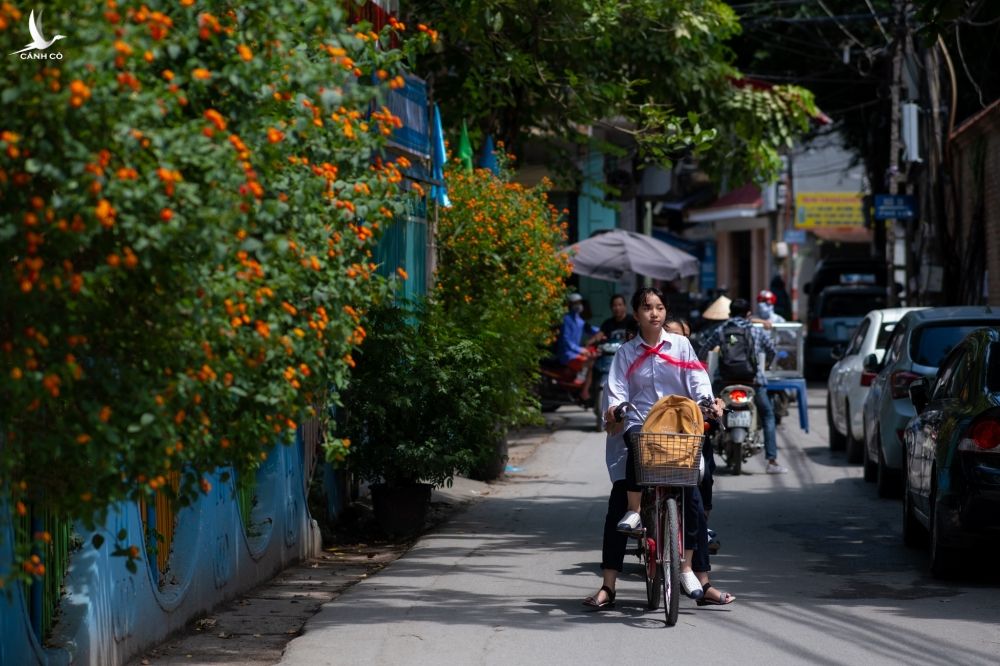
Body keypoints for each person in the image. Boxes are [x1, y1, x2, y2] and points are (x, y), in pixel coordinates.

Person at [583, 287, 723, 610]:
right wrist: (616, 408)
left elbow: (699, 380)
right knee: (619, 501)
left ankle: (695, 574)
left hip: (677, 430)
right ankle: (609, 584)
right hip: (641, 430)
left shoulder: (682, 346)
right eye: (647, 308)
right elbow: (616, 389)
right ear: (637, 315)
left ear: (666, 312)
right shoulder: (625, 354)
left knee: (693, 496)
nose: (655, 313)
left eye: (660, 307)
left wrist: (707, 402)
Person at [664, 319, 733, 605]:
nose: (676, 342)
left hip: (689, 440)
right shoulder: (646, 359)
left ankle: (703, 583)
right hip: (656, 440)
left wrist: (713, 406)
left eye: (681, 338)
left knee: (696, 498)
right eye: (671, 336)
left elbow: (704, 391)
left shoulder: (693, 366)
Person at [697, 298, 787, 474]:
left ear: (729, 313)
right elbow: (772, 351)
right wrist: (766, 365)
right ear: (748, 314)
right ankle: (772, 461)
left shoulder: (722, 329)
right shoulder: (756, 330)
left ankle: (700, 458)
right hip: (753, 381)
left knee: (707, 414)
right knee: (768, 415)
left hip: (724, 380)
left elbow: (703, 350)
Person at [556, 293, 601, 401]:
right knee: (588, 360)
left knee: (593, 355)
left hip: (576, 352)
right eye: (576, 303)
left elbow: (591, 329)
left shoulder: (580, 320)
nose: (578, 305)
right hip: (567, 354)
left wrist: (604, 331)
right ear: (570, 305)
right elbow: (566, 340)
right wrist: (579, 349)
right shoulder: (566, 320)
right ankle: (581, 382)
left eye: (579, 302)